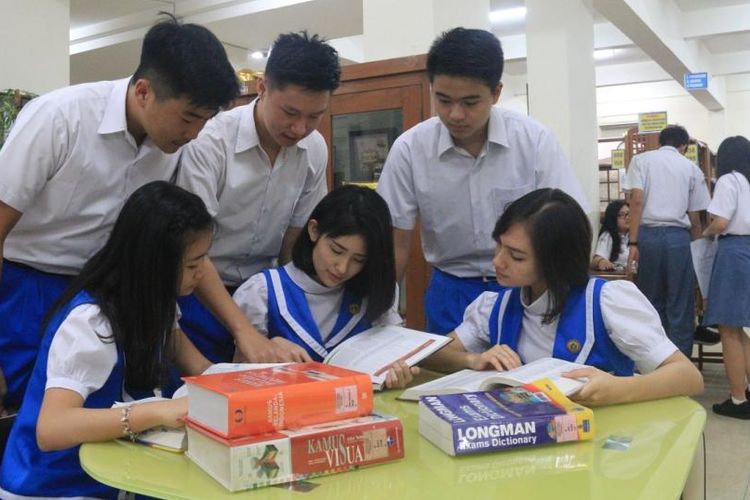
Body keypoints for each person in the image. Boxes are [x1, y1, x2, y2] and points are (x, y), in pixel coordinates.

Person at [0, 16, 239, 414]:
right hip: (31, 289)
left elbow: (186, 247)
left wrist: (238, 336)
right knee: (40, 415)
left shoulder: (174, 145)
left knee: (117, 414)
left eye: (205, 120)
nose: (195, 133)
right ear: (144, 91)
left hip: (114, 295)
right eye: (188, 117)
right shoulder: (60, 118)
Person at [0, 182, 214, 498]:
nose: (202, 273)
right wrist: (157, 412)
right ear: (155, 264)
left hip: (116, 475)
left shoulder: (157, 302)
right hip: (54, 486)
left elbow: (198, 366)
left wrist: (252, 384)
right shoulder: (92, 321)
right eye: (194, 264)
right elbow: (51, 429)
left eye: (205, 260)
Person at [376, 27, 588, 335]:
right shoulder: (411, 149)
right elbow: (395, 243)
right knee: (448, 379)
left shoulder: (533, 142)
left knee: (525, 377)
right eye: (444, 100)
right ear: (431, 87)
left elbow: (571, 225)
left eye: (470, 102)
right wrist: (383, 314)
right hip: (451, 292)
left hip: (522, 292)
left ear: (496, 93)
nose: (455, 114)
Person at [423, 189, 703, 407]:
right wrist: (473, 360)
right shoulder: (495, 306)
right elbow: (432, 355)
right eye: (499, 246)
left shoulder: (606, 302)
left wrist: (617, 389)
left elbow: (688, 377)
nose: (498, 261)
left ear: (556, 261)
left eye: (516, 256)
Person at [176, 31, 341, 364]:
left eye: (314, 116)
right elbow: (189, 248)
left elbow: (294, 242)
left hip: (265, 294)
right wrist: (243, 330)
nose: (299, 128)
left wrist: (287, 311)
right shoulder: (211, 141)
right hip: (198, 290)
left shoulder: (313, 149)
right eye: (290, 112)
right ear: (262, 87)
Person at [233, 185, 417, 388]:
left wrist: (398, 371)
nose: (342, 268)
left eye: (359, 259)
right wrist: (268, 349)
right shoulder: (262, 292)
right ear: (314, 230)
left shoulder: (372, 293)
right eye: (336, 250)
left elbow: (395, 354)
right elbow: (236, 377)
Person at [626, 125, 711, 358]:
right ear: (683, 146)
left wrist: (633, 244)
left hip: (647, 237)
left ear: (660, 141)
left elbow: (636, 202)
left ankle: (652, 360)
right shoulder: (691, 169)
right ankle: (681, 363)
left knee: (650, 301)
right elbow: (695, 219)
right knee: (680, 303)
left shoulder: (641, 161)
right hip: (679, 239)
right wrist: (699, 253)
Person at [701, 136, 750, 419]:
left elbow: (720, 222)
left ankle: (738, 398)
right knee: (740, 327)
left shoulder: (729, 181)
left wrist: (705, 234)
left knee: (728, 328)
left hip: (733, 251)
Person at [591, 200, 630, 271]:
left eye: (628, 214)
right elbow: (596, 260)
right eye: (621, 215)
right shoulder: (608, 236)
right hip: (618, 278)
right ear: (613, 218)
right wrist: (602, 262)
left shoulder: (635, 234)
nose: (627, 217)